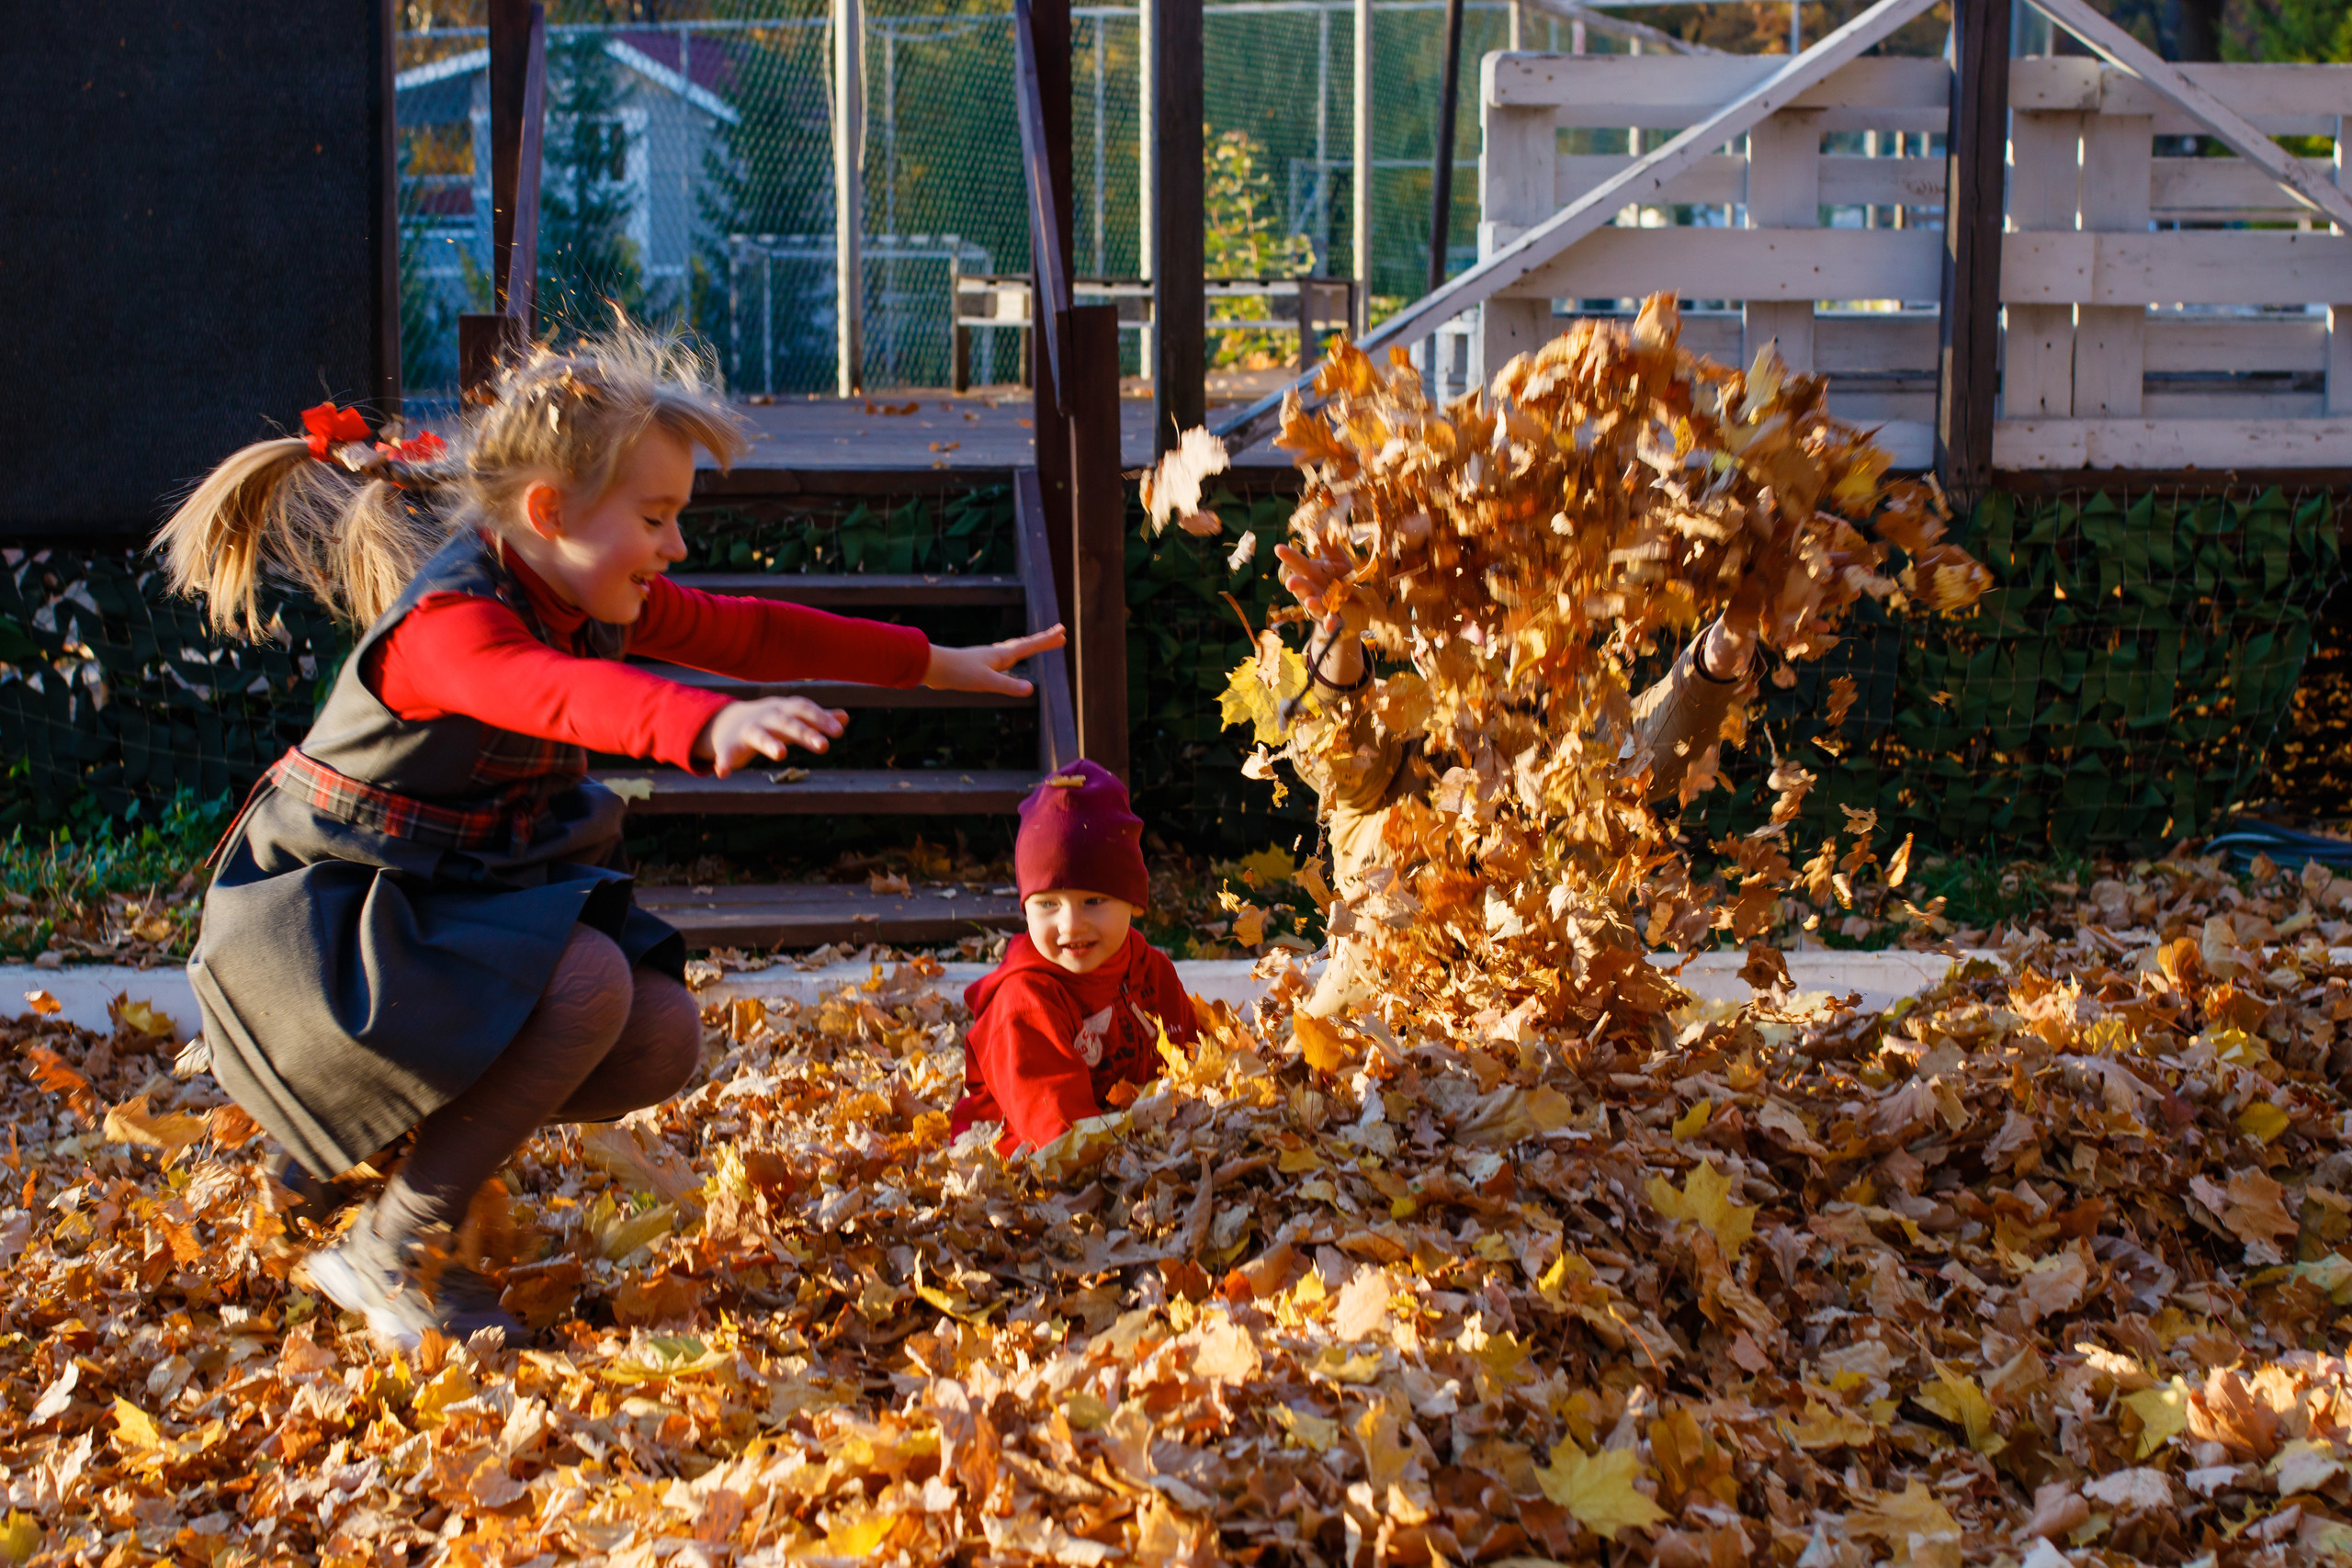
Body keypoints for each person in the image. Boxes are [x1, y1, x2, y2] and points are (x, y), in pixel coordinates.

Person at [158, 329, 1064, 1348]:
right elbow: (559, 695)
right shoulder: (452, 629)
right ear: (549, 512)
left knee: (657, 1035)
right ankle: (400, 1243)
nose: (676, 547)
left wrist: (936, 662)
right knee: (586, 981)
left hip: (436, 905)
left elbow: (751, 631)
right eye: (654, 519)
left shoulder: (580, 592)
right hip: (324, 934)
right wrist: (702, 723)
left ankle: (350, 1153)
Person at [1272, 543, 1768, 1019]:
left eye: (1505, 610)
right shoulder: (1392, 740)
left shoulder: (1576, 744)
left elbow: (1655, 744)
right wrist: (1336, 627)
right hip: (1385, 1052)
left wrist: (1733, 636)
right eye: (1460, 617)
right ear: (1422, 642)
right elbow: (1344, 729)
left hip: (1575, 1057)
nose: (1484, 636)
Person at [949, 761, 1200, 1155]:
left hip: (1131, 1142)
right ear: (1026, 908)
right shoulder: (1023, 1004)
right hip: (1034, 1170)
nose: (1071, 925)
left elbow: (1196, 1069)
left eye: (1094, 901)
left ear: (1134, 900)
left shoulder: (1152, 972)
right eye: (1048, 903)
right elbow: (1060, 1135)